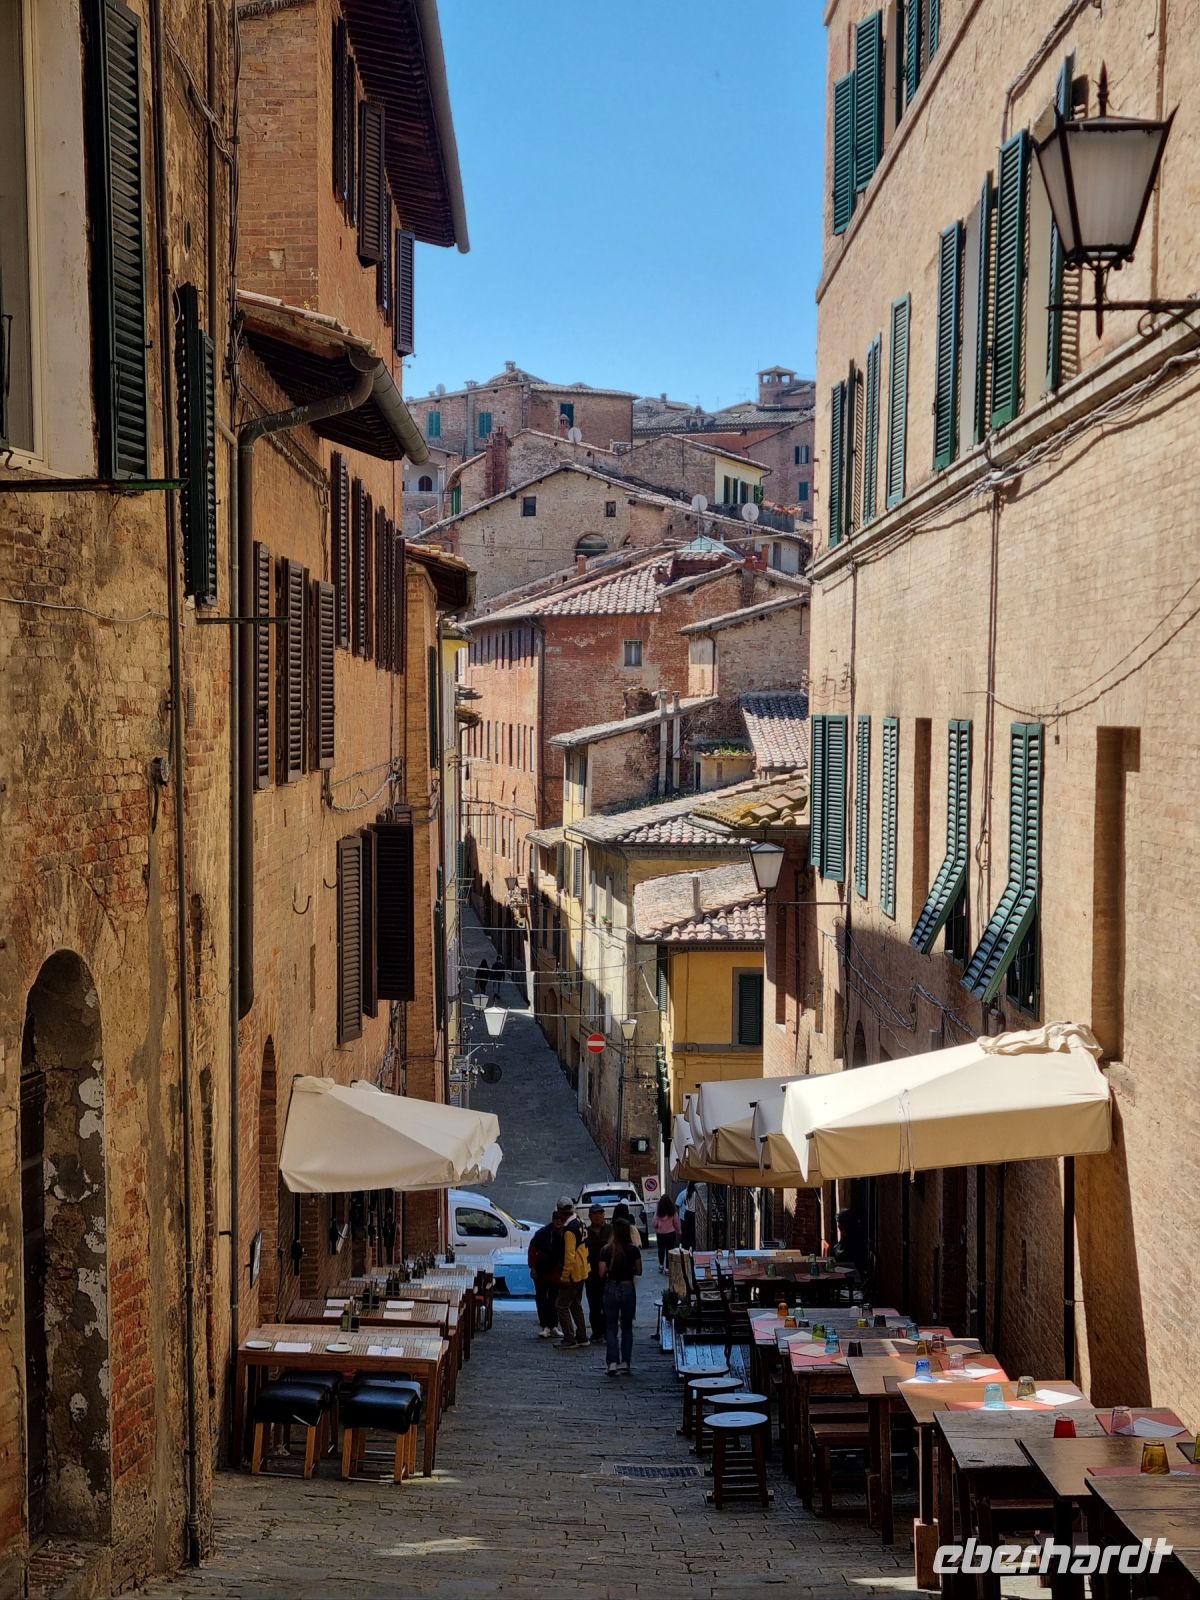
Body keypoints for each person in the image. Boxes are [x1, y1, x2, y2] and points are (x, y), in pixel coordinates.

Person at [598, 1216, 642, 1375]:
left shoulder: (606, 1250)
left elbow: (601, 1272)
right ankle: (626, 1361)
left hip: (611, 1287)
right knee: (627, 1327)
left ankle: (612, 1363)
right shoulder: (633, 1249)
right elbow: (639, 1270)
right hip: (628, 1286)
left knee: (610, 1327)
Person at [553, 1197, 589, 1348]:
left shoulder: (569, 1231)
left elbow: (569, 1256)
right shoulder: (580, 1222)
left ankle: (569, 1338)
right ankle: (582, 1336)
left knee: (561, 1305)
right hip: (583, 1270)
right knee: (575, 1304)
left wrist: (564, 1276)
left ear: (561, 1212)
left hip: (573, 1272)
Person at [527, 1211, 565, 1339]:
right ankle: (545, 1326)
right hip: (542, 1271)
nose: (558, 1221)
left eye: (561, 1219)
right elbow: (532, 1250)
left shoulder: (566, 1234)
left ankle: (553, 1325)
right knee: (542, 1298)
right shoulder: (542, 1233)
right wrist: (533, 1267)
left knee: (555, 1299)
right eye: (556, 1219)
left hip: (556, 1273)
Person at [584, 1204, 612, 1343]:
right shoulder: (586, 1232)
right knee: (594, 1304)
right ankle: (597, 1332)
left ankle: (608, 1331)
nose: (598, 1216)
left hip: (608, 1274)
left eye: (600, 1214)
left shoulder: (610, 1230)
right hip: (591, 1274)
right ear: (590, 1216)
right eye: (595, 1214)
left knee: (607, 1304)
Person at [653, 1194, 682, 1272]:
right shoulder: (672, 1211)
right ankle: (668, 1268)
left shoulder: (658, 1211)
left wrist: (656, 1227)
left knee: (661, 1249)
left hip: (660, 1233)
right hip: (670, 1233)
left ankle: (661, 1265)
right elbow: (676, 1222)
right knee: (670, 1250)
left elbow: (654, 1222)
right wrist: (679, 1230)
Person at [680, 1182, 698, 1250]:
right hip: (694, 1213)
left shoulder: (686, 1193)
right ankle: (693, 1247)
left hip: (687, 1213)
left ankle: (687, 1247)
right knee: (694, 1232)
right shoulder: (696, 1193)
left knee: (687, 1231)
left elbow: (685, 1202)